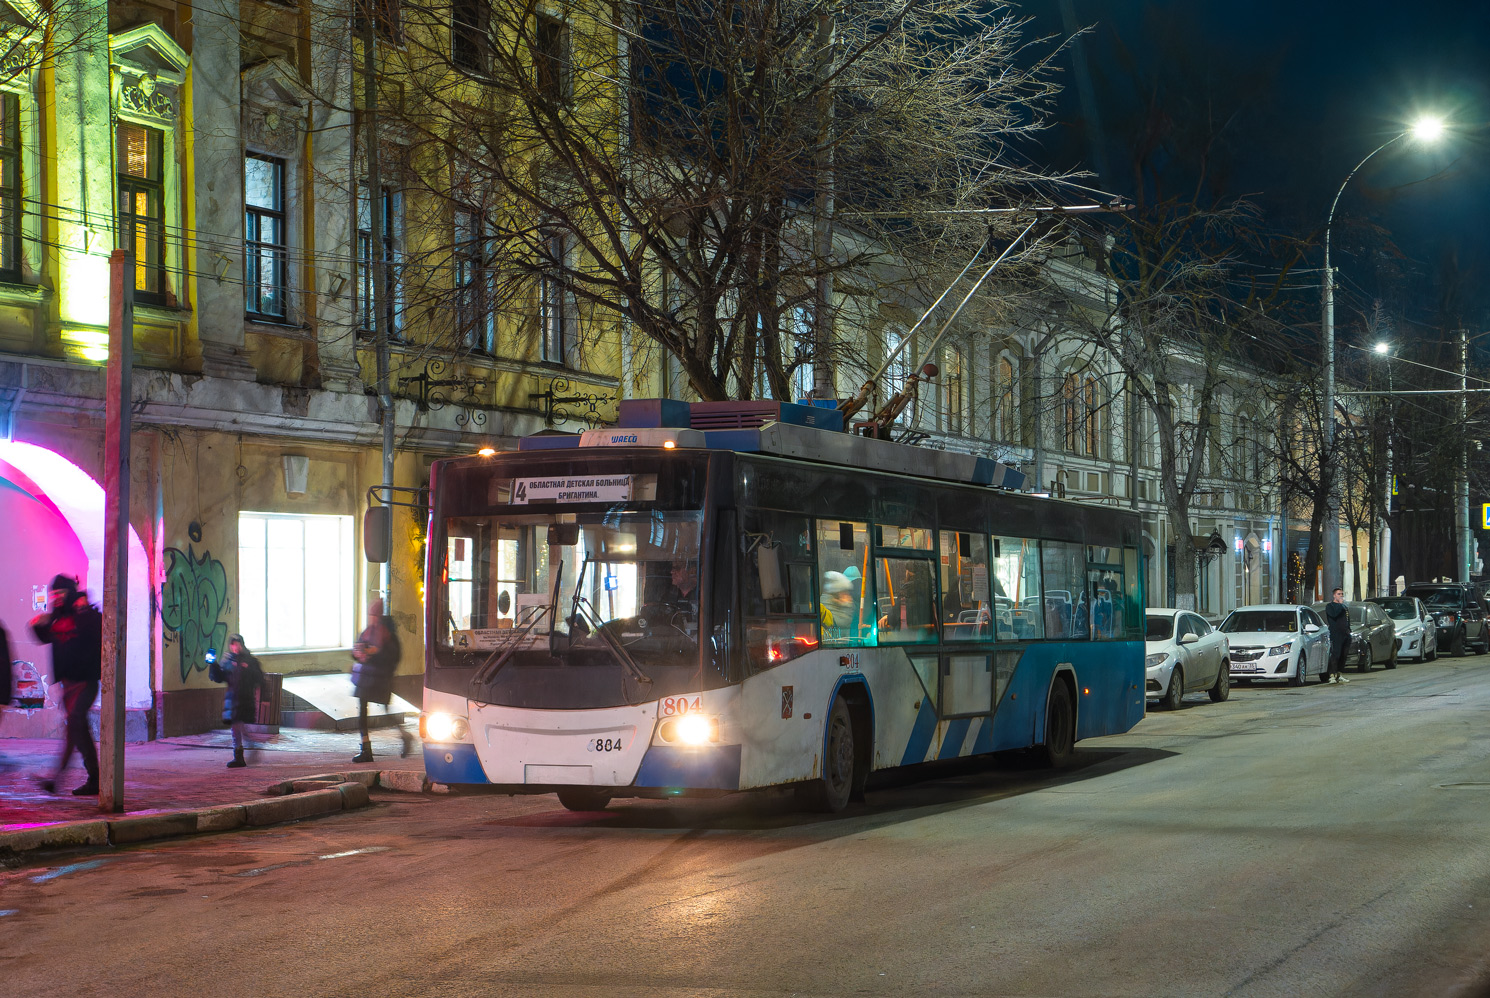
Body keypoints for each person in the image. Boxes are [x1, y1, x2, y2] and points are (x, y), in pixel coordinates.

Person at [28, 574, 102, 795]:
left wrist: (83, 608)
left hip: (85, 682)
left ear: (70, 593)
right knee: (76, 732)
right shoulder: (56, 617)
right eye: (54, 594)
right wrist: (36, 624)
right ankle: (67, 780)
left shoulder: (86, 614)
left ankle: (85, 779)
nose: (57, 597)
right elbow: (43, 637)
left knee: (76, 723)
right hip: (68, 685)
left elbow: (97, 629)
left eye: (61, 593)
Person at [350, 599, 412, 763]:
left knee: (385, 710)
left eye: (374, 614)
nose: (371, 618)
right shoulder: (368, 632)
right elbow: (358, 649)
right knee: (363, 710)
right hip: (366, 678)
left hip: (381, 679)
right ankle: (366, 749)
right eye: (370, 614)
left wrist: (373, 654)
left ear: (378, 615)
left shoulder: (388, 634)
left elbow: (393, 657)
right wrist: (358, 653)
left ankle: (405, 736)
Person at [210, 635, 266, 768]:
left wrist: (245, 668)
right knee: (236, 726)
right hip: (232, 699)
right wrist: (213, 664)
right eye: (233, 644)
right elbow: (219, 677)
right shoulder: (228, 660)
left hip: (245, 698)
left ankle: (248, 748)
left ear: (242, 644)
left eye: (237, 644)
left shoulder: (250, 661)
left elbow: (259, 678)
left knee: (239, 726)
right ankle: (242, 753)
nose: (235, 647)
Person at [1324, 587, 1352, 684]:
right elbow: (1334, 615)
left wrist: (1349, 630)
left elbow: (1347, 619)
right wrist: (1340, 605)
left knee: (1343, 655)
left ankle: (1339, 674)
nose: (1341, 596)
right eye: (1339, 594)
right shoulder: (1330, 606)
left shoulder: (1344, 607)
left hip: (1345, 634)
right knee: (1336, 654)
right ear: (1334, 595)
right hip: (1336, 634)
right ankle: (1332, 675)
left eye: (1341, 594)